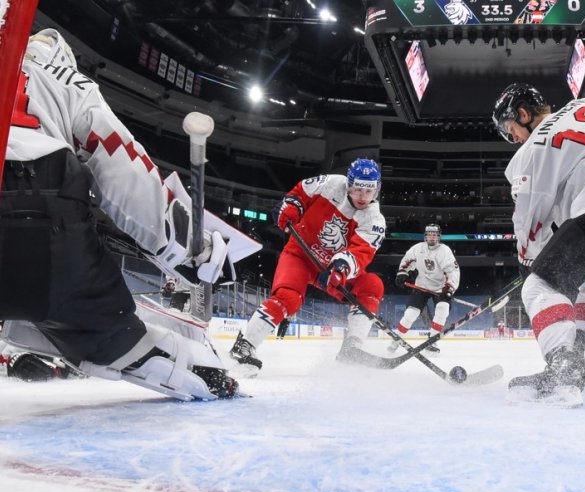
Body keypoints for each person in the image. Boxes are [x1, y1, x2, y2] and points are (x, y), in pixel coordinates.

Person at [0, 28, 242, 401]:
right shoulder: (60, 75)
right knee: (118, 340)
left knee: (29, 307)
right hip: (36, 209)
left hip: (34, 224)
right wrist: (187, 249)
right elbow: (120, 160)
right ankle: (180, 366)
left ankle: (29, 336)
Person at [492, 82, 585, 405]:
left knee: (538, 287)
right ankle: (573, 353)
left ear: (523, 113)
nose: (512, 138)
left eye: (510, 129)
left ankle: (563, 370)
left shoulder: (530, 150)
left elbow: (529, 225)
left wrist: (529, 266)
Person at [227, 159, 386, 374]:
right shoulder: (331, 183)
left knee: (371, 285)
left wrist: (341, 268)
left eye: (369, 191)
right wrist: (291, 206)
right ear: (349, 184)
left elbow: (362, 252)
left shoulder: (374, 219)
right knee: (288, 298)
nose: (362, 197)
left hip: (330, 270)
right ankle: (245, 345)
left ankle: (352, 347)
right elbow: (300, 192)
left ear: (376, 190)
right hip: (299, 255)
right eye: (358, 189)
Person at [386, 224, 460, 355]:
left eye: (434, 234)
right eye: (429, 234)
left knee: (442, 309)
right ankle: (397, 340)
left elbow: (452, 271)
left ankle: (431, 341)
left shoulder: (445, 250)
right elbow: (406, 261)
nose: (432, 236)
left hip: (440, 288)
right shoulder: (418, 248)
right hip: (421, 286)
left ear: (439, 236)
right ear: (425, 236)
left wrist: (449, 288)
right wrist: (402, 273)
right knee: (410, 314)